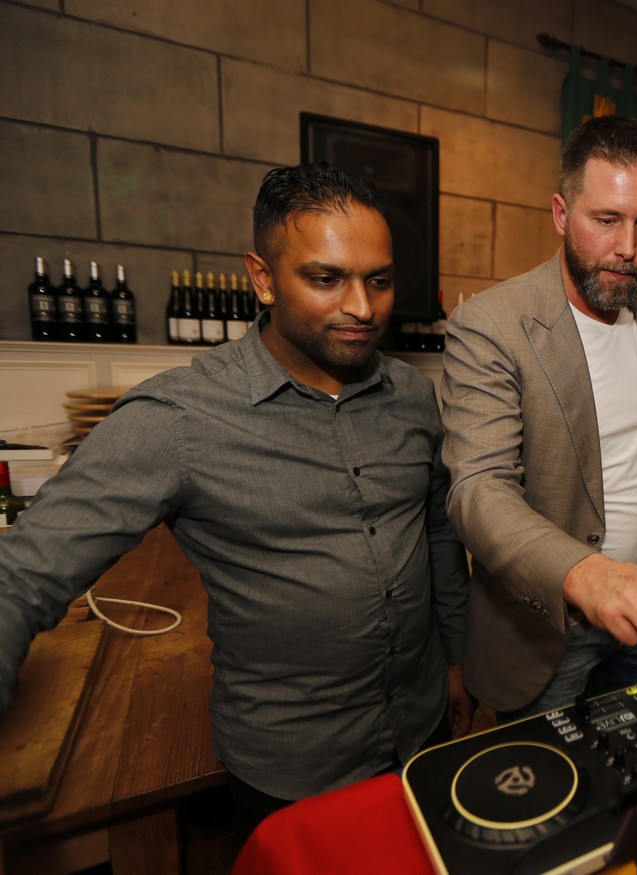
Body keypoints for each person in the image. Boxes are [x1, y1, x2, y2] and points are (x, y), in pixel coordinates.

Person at [0, 164, 473, 831]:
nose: (362, 307)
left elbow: (437, 534)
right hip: (295, 770)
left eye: (379, 280)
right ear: (262, 278)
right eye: (326, 278)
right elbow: (22, 575)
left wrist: (455, 659)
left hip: (420, 732)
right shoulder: (178, 419)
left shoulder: (413, 397)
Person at [439, 116, 637, 720]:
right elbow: (479, 489)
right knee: (548, 779)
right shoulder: (491, 326)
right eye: (606, 220)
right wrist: (586, 575)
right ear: (562, 214)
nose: (629, 248)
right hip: (544, 634)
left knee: (630, 764)